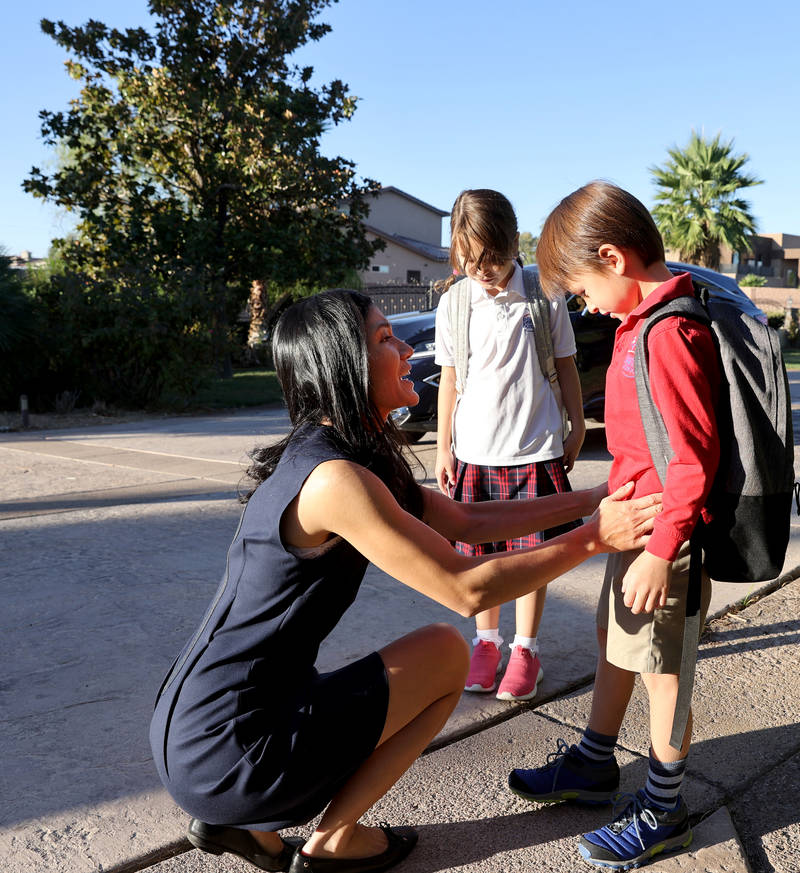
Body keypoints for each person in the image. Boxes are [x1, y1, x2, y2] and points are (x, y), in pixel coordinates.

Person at [149, 289, 660, 873]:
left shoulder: (339, 455)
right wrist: (594, 539)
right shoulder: (335, 479)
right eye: (385, 339)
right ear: (346, 363)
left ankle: (242, 827)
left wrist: (591, 501)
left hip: (198, 725)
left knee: (416, 653)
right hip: (230, 747)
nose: (407, 351)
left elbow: (465, 520)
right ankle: (333, 841)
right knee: (446, 653)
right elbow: (465, 589)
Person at [506, 182, 721, 870]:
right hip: (632, 527)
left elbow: (693, 462)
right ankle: (596, 763)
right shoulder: (639, 325)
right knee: (615, 643)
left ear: (613, 257)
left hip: (667, 539)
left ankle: (665, 808)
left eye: (581, 288)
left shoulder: (671, 331)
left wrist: (663, 553)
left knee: (665, 673)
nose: (583, 304)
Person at [434, 189, 586, 702]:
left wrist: (579, 424)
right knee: (480, 555)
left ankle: (525, 648)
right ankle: (486, 641)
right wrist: (443, 447)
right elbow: (451, 380)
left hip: (536, 446)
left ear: (511, 244)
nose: (482, 271)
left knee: (530, 555)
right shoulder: (455, 301)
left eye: (492, 260)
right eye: (469, 261)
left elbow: (565, 364)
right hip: (475, 451)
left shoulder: (544, 293)